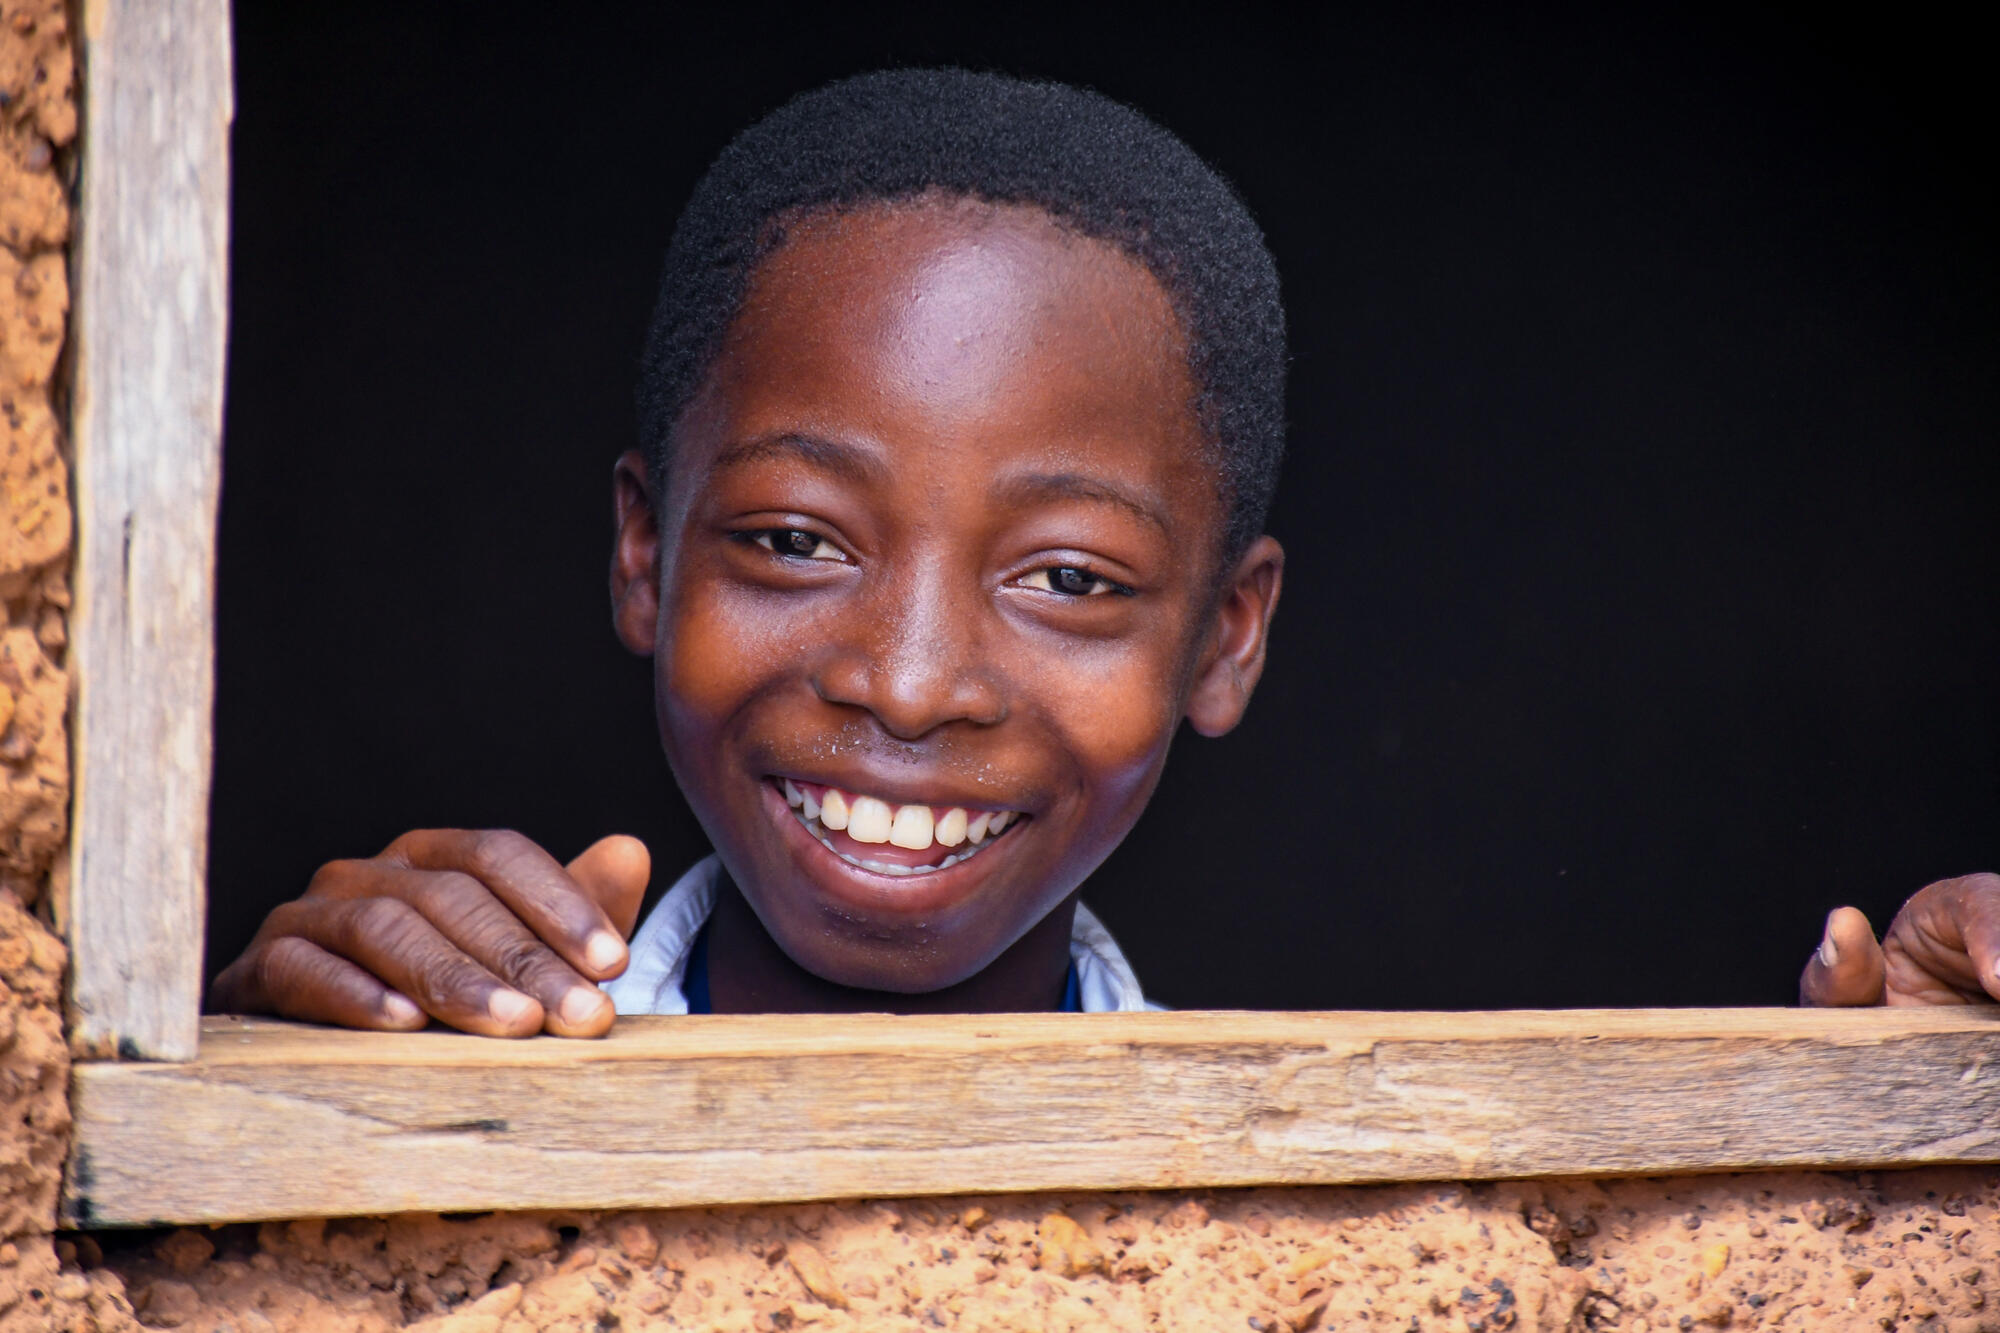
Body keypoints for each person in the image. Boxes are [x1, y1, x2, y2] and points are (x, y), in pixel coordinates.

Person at [208, 69, 1998, 1034]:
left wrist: (1888, 1109)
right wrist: (268, 1052)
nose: (907, 681)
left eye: (1066, 577)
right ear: (639, 552)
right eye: (790, 538)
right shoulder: (432, 1020)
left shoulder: (1319, 1239)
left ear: (1229, 637)